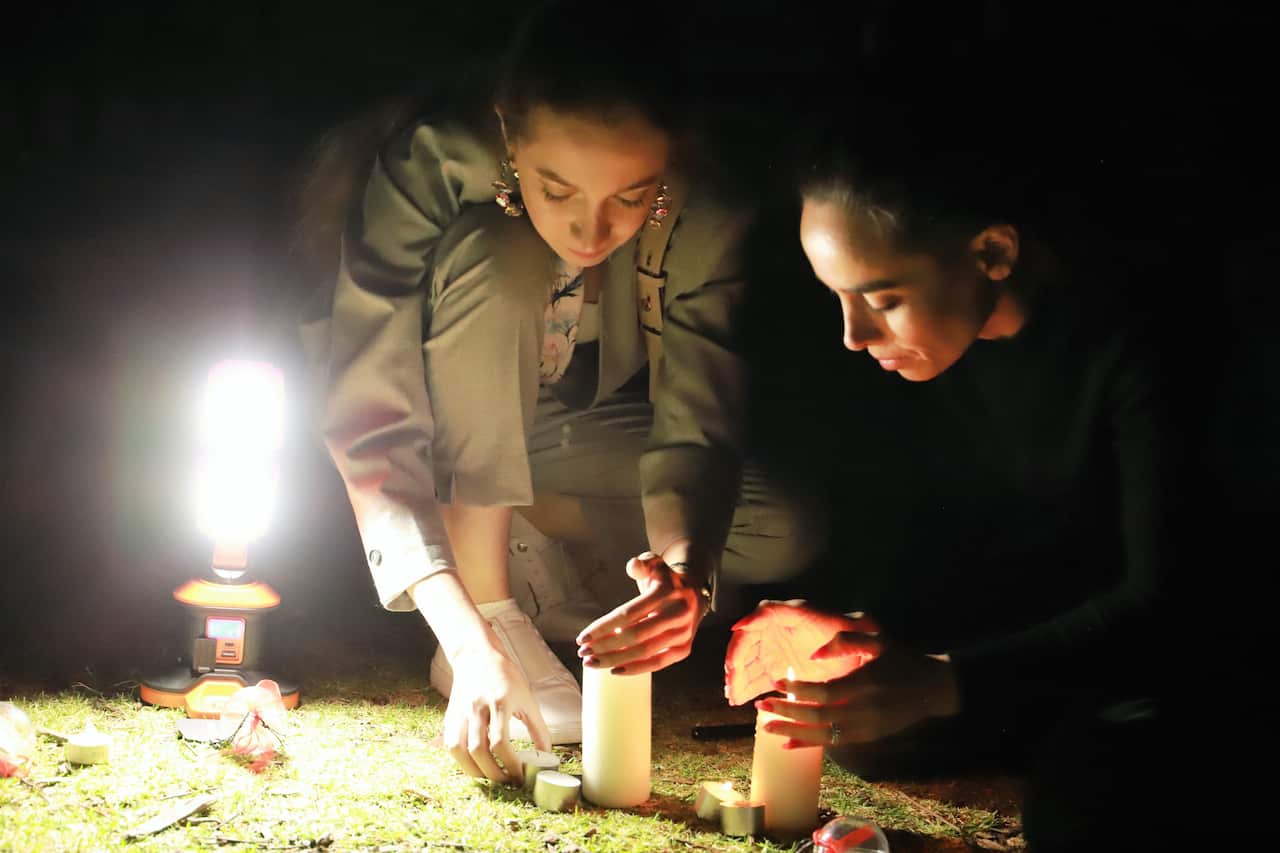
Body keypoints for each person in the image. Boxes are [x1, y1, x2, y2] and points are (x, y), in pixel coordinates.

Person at [300, 0, 815, 786]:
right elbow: (368, 410)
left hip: (552, 437)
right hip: (440, 427)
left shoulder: (703, 210)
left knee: (777, 526)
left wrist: (682, 575)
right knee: (499, 257)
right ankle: (490, 602)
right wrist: (470, 642)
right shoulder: (435, 162)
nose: (590, 229)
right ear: (509, 132)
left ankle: (516, 540)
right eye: (557, 188)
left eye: (631, 197)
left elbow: (694, 427)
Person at [731, 81, 1181, 849]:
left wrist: (945, 681)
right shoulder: (924, 349)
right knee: (862, 728)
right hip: (1017, 638)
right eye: (837, 296)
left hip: (1146, 656)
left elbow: (1169, 601)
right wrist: (851, 630)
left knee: (1088, 809)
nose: (852, 334)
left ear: (993, 252)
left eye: (882, 299)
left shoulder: (1135, 347)